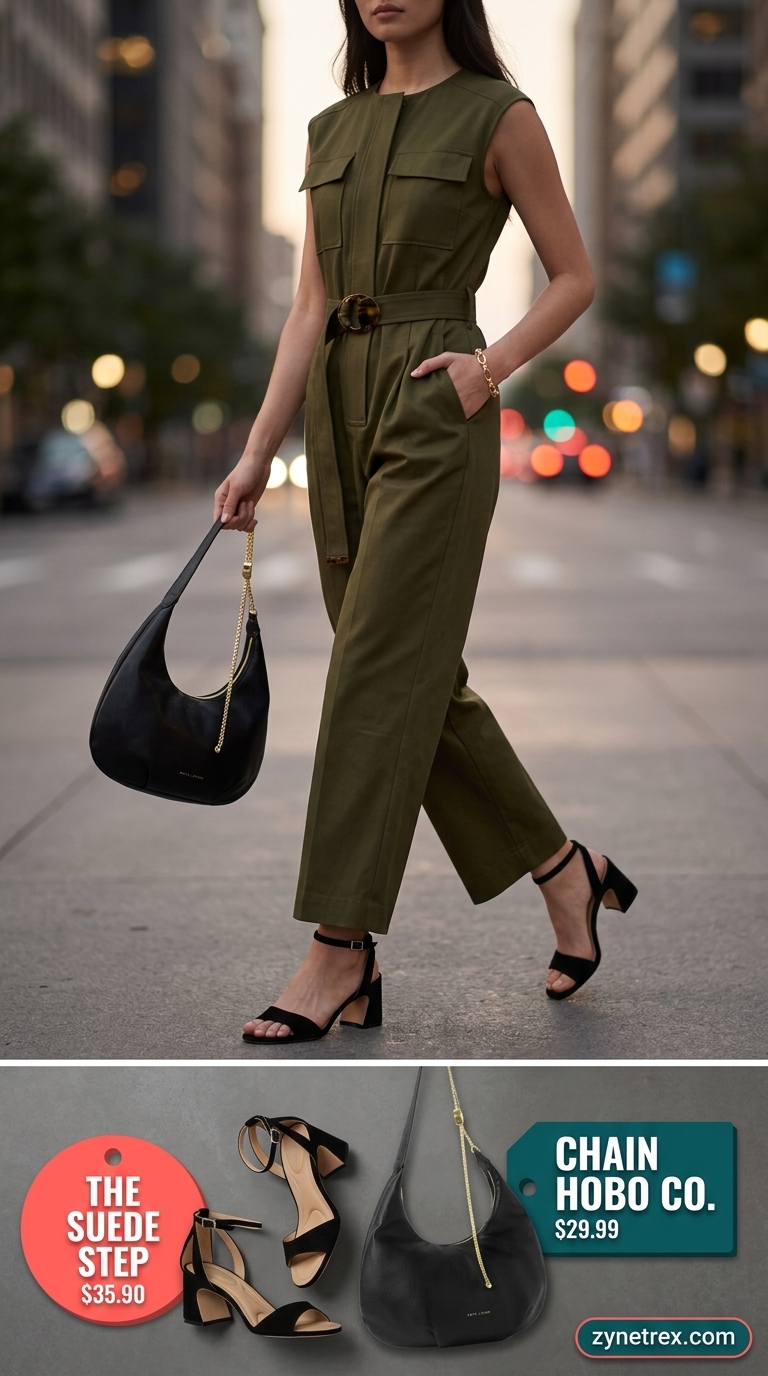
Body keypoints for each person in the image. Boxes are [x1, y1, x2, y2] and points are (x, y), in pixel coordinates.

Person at [215, 0, 637, 1044]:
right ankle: (563, 868)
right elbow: (308, 306)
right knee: (412, 674)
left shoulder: (501, 115)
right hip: (335, 410)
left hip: (435, 398)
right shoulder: (331, 129)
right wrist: (261, 445)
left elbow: (576, 275)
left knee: (371, 668)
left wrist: (487, 369)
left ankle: (339, 946)